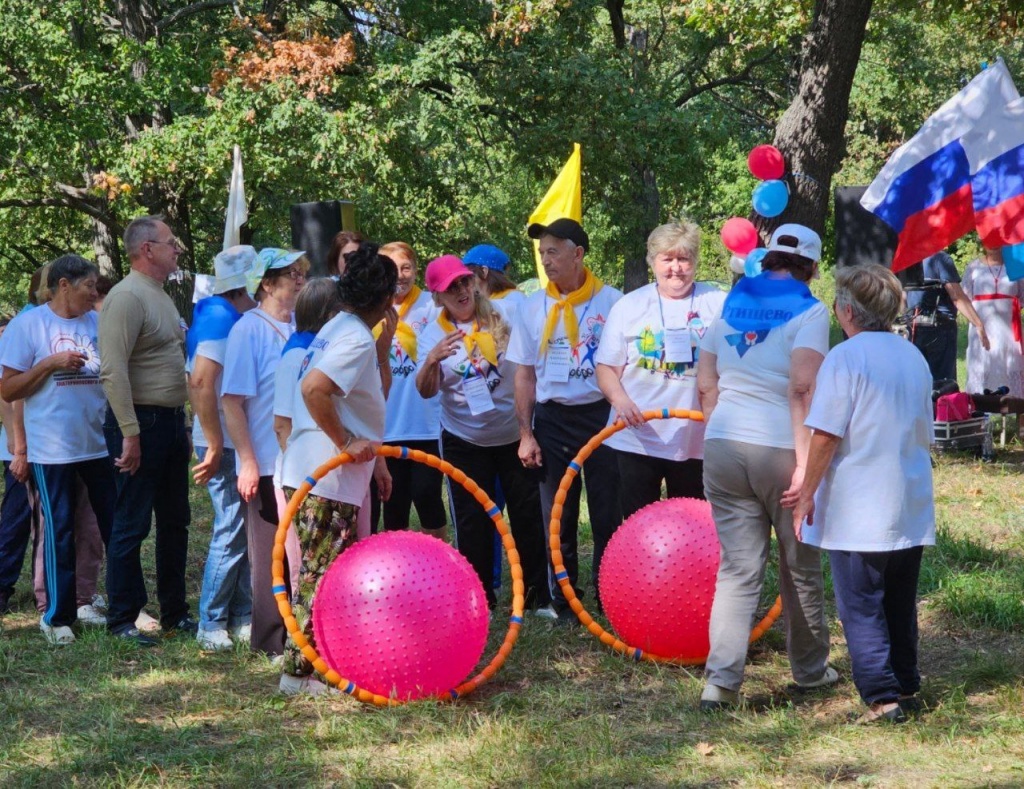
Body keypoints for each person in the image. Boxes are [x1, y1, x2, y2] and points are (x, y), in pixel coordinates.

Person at [696, 223, 836, 710]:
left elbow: (706, 377)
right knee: (798, 565)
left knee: (737, 570)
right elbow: (802, 387)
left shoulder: (731, 301)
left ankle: (720, 683)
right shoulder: (812, 310)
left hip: (722, 443)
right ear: (813, 268)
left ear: (768, 257)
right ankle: (811, 671)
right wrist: (805, 465)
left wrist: (718, 427)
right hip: (778, 446)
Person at [792, 264, 935, 724]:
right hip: (908, 497)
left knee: (860, 602)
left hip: (861, 501)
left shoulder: (846, 357)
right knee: (898, 597)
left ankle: (881, 695)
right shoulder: (912, 355)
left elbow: (826, 434)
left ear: (847, 311)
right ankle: (906, 683)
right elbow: (926, 432)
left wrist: (807, 492)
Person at [278, 243, 396, 695]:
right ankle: (301, 673)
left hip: (316, 467)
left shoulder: (339, 328)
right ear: (386, 299)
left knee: (319, 569)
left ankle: (315, 667)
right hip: (325, 471)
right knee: (321, 574)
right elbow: (313, 389)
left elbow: (363, 397)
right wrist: (346, 441)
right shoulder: (351, 336)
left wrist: (375, 457)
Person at [416, 255, 550, 610]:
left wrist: (527, 432)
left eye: (464, 282)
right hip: (465, 440)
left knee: (527, 517)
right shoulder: (433, 333)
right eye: (450, 288)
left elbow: (528, 371)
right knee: (472, 522)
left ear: (475, 281)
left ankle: (537, 596)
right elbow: (425, 391)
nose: (461, 291)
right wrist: (431, 359)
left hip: (514, 435)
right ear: (437, 297)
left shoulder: (504, 316)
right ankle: (479, 599)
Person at [507, 218, 623, 621]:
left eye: (553, 252)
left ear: (578, 254)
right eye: (542, 254)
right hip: (553, 418)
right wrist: (526, 433)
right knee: (557, 514)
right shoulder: (531, 306)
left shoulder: (613, 302)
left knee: (609, 512)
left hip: (603, 416)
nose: (546, 261)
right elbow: (523, 373)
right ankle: (566, 602)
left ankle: (612, 597)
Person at [1, 255, 117, 644]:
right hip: (51, 450)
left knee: (113, 527)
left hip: (97, 445)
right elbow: (9, 389)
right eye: (89, 286)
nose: (94, 293)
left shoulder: (97, 323)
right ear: (64, 285)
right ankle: (56, 616)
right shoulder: (28, 325)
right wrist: (50, 364)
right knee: (58, 531)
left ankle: (117, 606)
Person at [100, 215, 194, 646]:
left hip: (172, 421)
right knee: (131, 522)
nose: (178, 249)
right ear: (147, 249)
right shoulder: (125, 297)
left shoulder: (162, 295)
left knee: (176, 521)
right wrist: (130, 433)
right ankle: (122, 617)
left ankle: (175, 612)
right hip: (140, 423)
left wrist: (185, 421)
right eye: (170, 242)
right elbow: (113, 370)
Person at [596, 220, 726, 517]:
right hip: (637, 438)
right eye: (667, 259)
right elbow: (606, 368)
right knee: (637, 524)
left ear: (695, 261)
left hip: (697, 439)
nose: (676, 268)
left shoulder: (718, 303)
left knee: (694, 525)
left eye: (684, 259)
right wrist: (620, 400)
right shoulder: (630, 305)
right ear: (653, 262)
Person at [221, 248, 305, 656]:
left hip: (301, 459)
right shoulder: (247, 330)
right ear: (267, 284)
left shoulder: (301, 327)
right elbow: (232, 401)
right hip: (267, 460)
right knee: (272, 551)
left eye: (302, 272)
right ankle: (271, 641)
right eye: (291, 274)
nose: (300, 280)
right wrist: (248, 460)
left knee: (301, 549)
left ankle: (304, 634)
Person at [187, 245, 258, 651]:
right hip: (224, 441)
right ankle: (210, 621)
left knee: (244, 529)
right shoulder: (220, 318)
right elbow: (199, 382)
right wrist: (213, 443)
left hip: (234, 438)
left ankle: (242, 614)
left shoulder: (221, 314)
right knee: (230, 529)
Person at [372, 241, 447, 538]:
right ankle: (397, 573)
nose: (400, 275)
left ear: (416, 270)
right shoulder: (372, 307)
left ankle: (442, 566)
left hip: (426, 422)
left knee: (428, 495)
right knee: (393, 502)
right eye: (393, 269)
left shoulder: (432, 305)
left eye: (407, 268)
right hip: (387, 423)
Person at [904, 250, 989, 384]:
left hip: (912, 328)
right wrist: (978, 323)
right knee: (943, 385)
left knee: (917, 381)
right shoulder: (940, 259)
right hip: (940, 328)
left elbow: (902, 297)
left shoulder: (907, 258)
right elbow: (956, 296)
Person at [962, 246, 1024, 396]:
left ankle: (1016, 411)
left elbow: (1022, 296)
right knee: (983, 363)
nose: (993, 245)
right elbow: (964, 299)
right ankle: (981, 411)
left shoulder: (1016, 267)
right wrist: (977, 322)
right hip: (982, 328)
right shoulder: (973, 267)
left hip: (1008, 329)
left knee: (1010, 363)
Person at [464, 243, 526, 315]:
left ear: (484, 271)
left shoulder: (514, 299)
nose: (466, 282)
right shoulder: (486, 303)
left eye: (469, 275)